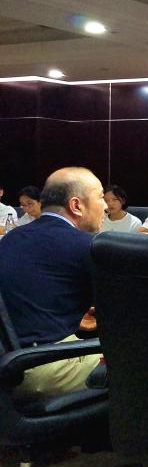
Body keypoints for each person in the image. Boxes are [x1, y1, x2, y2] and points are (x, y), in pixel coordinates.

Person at [0, 167, 106, 400]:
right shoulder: (87, 246)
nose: (106, 205)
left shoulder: (11, 238)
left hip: (11, 360)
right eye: (100, 197)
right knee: (143, 361)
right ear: (77, 205)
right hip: (41, 366)